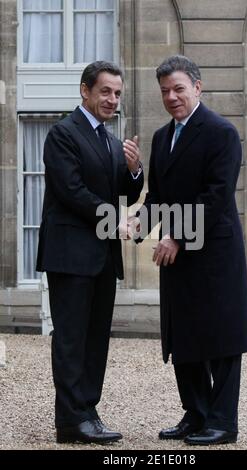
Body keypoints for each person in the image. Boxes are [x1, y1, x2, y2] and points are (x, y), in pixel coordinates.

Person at [132, 55, 247, 445]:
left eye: (178, 88)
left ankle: (222, 422)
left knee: (220, 338)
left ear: (197, 88)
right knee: (183, 336)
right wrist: (138, 223)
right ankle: (196, 413)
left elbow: (216, 196)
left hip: (213, 254)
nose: (171, 97)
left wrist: (177, 236)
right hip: (177, 255)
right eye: (165, 90)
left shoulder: (221, 132)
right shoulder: (161, 137)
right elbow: (159, 196)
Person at [36, 61, 143, 444]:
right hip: (69, 255)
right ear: (85, 91)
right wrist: (112, 220)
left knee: (95, 338)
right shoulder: (63, 134)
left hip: (102, 256)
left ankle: (87, 410)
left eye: (117, 94)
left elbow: (126, 192)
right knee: (70, 339)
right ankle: (69, 421)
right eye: (106, 92)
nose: (113, 100)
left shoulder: (111, 142)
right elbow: (71, 189)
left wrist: (133, 170)